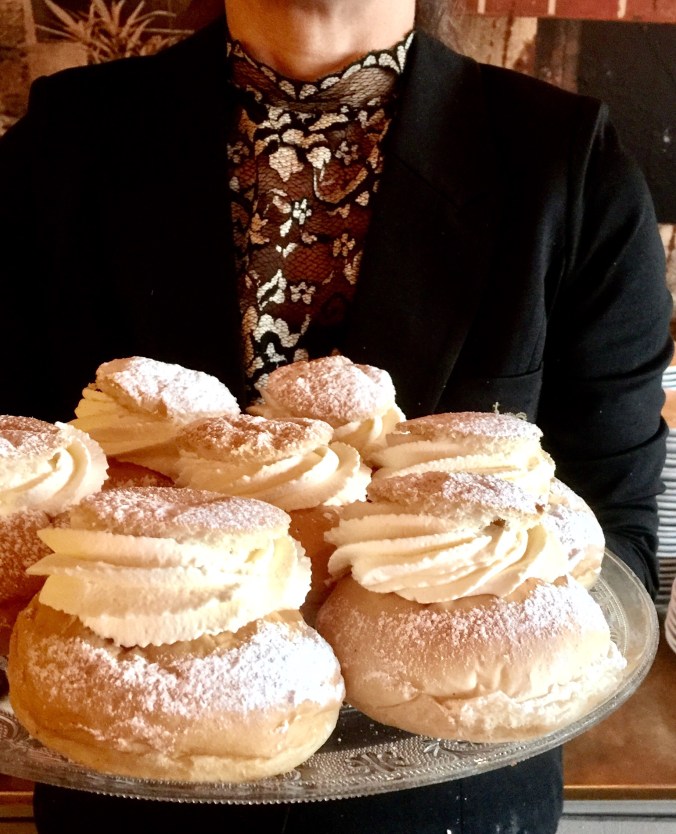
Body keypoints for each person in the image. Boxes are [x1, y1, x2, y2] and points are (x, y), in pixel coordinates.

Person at [0, 0, 671, 831]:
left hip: (450, 804)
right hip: (128, 770)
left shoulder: (565, 160)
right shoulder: (67, 138)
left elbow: (613, 528)